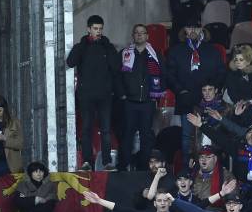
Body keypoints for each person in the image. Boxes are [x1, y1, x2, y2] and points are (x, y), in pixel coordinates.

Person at [165, 15, 227, 166]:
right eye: (189, 27)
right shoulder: (176, 51)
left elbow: (221, 72)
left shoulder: (212, 50)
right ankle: (188, 171)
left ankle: (211, 170)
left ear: (202, 29)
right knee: (187, 137)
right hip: (186, 99)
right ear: (184, 30)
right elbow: (170, 75)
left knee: (210, 136)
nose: (193, 30)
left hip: (208, 101)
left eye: (196, 27)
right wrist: (180, 91)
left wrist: (212, 90)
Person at [66, 14, 120, 171]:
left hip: (104, 96)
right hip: (86, 96)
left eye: (100, 29)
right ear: (88, 29)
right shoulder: (81, 46)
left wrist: (107, 46)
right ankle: (87, 162)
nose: (98, 32)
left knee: (105, 129)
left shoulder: (107, 47)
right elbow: (70, 62)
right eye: (95, 29)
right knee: (86, 129)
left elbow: (116, 67)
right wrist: (83, 44)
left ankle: (107, 162)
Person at [119, 24, 165, 171]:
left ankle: (143, 169)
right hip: (129, 103)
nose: (139, 35)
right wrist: (123, 94)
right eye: (136, 33)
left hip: (147, 102)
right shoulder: (124, 53)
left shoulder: (155, 54)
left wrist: (155, 96)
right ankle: (123, 167)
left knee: (146, 137)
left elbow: (164, 75)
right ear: (133, 36)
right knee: (127, 136)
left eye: (142, 33)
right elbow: (117, 76)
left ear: (147, 36)